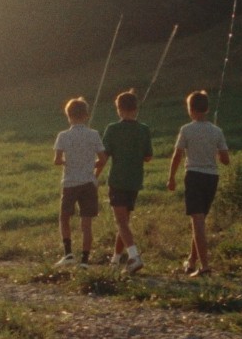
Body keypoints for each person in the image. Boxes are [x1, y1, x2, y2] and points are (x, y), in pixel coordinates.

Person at [165, 89, 231, 277]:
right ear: (207, 109)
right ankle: (192, 261)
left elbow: (177, 155)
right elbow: (226, 160)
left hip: (194, 176)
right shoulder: (217, 131)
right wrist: (215, 150)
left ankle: (205, 266)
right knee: (200, 220)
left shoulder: (186, 129)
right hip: (212, 178)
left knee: (197, 221)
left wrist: (171, 177)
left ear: (190, 109)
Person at [98, 89, 153, 272]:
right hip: (135, 181)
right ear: (136, 109)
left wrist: (93, 175)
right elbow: (148, 157)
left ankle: (134, 257)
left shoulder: (112, 129)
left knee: (121, 222)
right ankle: (115, 261)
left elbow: (104, 157)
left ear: (119, 110)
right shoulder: (144, 129)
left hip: (118, 180)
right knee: (124, 223)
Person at [52, 96, 104, 267]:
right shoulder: (94, 134)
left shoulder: (63, 136)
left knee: (64, 217)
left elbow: (57, 160)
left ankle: (68, 253)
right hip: (88, 182)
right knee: (86, 223)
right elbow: (102, 159)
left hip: (70, 182)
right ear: (86, 115)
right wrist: (90, 165)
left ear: (68, 116)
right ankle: (85, 260)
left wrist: (68, 162)